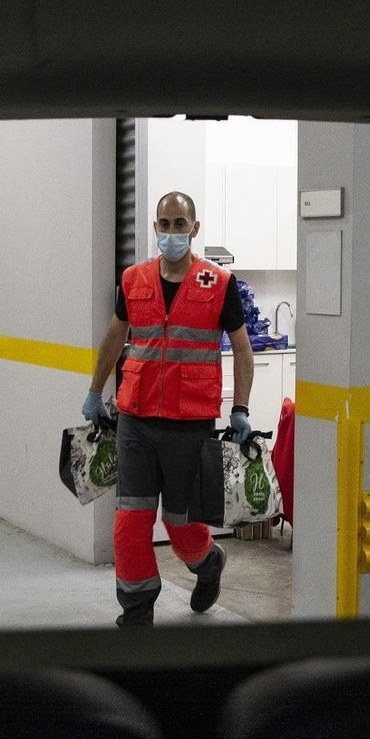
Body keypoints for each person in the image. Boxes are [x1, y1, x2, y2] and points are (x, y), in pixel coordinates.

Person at [83, 191, 255, 627]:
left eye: (181, 224)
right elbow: (114, 337)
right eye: (166, 223)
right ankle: (137, 612)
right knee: (130, 524)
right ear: (155, 227)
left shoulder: (218, 283)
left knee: (179, 523)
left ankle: (208, 563)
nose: (173, 232)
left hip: (189, 424)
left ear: (194, 229)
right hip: (135, 420)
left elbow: (243, 348)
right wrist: (94, 390)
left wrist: (240, 407)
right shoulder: (133, 279)